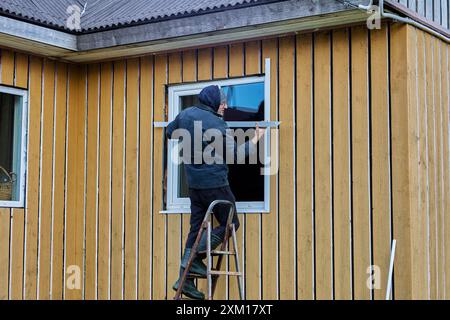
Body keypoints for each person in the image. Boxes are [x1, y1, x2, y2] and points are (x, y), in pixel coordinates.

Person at [166, 85, 265, 299]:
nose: (226, 106)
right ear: (213, 102)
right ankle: (191, 261)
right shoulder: (218, 124)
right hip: (215, 185)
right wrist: (256, 138)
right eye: (222, 102)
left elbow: (168, 132)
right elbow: (235, 155)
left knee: (196, 230)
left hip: (194, 186)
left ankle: (185, 282)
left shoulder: (185, 114)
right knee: (231, 224)